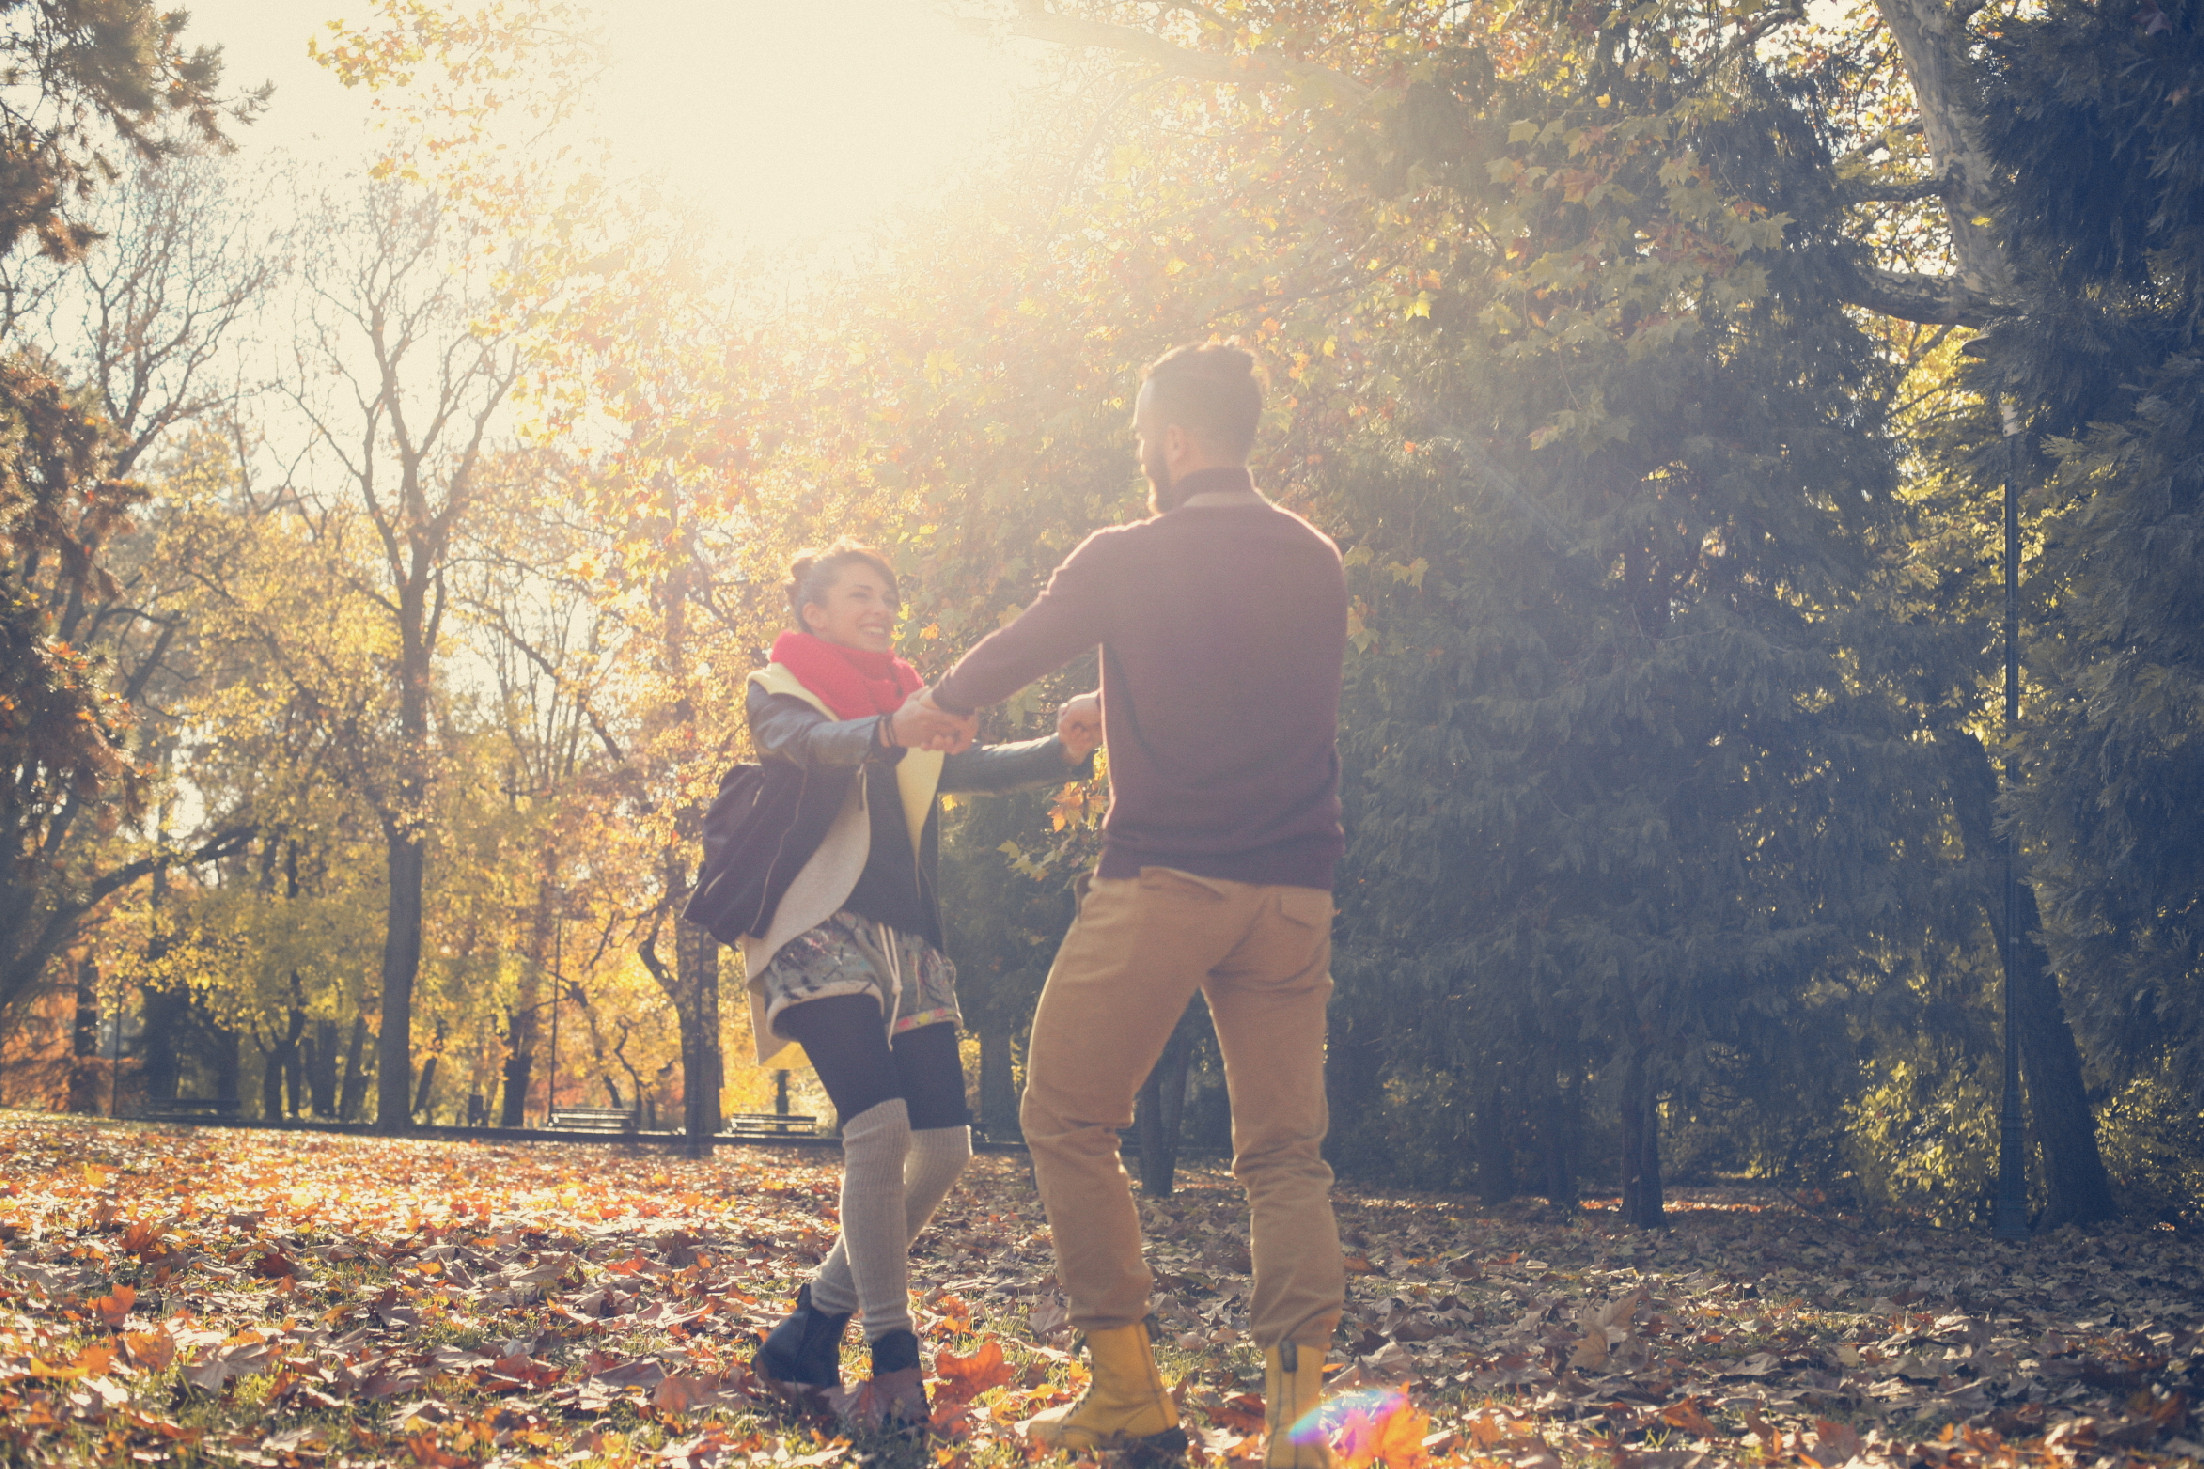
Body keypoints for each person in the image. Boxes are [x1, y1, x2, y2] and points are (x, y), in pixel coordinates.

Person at [914, 342, 1348, 1467]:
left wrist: (932, 706)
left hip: (1167, 876)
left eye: (1139, 434)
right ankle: (1300, 1432)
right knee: (1284, 1154)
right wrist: (1120, 694)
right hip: (1294, 892)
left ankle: (1127, 1391)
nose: (1137, 453)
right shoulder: (1313, 557)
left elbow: (1005, 652)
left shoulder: (1124, 554)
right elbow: (1245, 680)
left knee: (1061, 1110)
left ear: (1174, 440)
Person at [742, 540, 1097, 1430]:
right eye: (860, 594)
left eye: (888, 598)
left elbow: (959, 769)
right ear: (813, 611)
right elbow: (811, 747)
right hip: (817, 927)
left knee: (944, 1148)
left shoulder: (909, 696)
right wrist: (887, 731)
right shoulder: (782, 688)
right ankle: (892, 1354)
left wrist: (1059, 748)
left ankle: (814, 1321)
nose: (880, 608)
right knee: (880, 1129)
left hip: (907, 938)